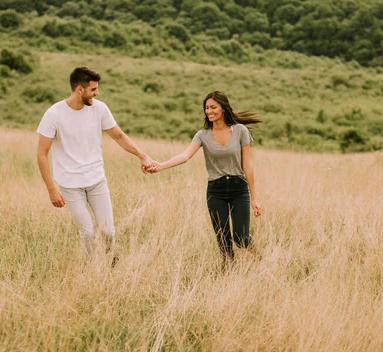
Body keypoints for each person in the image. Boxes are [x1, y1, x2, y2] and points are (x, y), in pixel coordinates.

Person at [36, 66, 154, 261]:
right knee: (88, 232)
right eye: (93, 89)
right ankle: (90, 272)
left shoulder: (100, 109)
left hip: (96, 180)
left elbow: (118, 136)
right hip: (70, 185)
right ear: (79, 89)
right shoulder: (54, 114)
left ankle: (110, 267)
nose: (97, 93)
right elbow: (42, 154)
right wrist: (52, 190)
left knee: (108, 231)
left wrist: (142, 156)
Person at [147, 91, 262, 263]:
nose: (209, 111)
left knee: (241, 238)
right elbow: (185, 155)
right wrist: (160, 166)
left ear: (223, 108)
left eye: (213, 107)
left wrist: (254, 199)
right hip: (216, 190)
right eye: (207, 108)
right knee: (223, 240)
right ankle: (229, 271)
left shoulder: (240, 131)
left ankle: (260, 258)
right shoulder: (203, 134)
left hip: (239, 188)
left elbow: (248, 166)